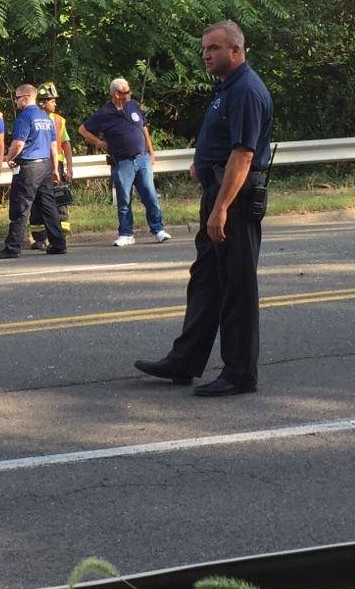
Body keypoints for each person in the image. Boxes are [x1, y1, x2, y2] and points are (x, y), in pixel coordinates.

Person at [134, 21, 272, 396]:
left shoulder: (245, 90)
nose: (206, 55)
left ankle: (240, 373)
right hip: (218, 190)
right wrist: (202, 163)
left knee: (236, 286)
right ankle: (185, 360)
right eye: (204, 50)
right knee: (206, 282)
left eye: (213, 48)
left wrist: (221, 208)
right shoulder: (225, 88)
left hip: (235, 198)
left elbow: (243, 154)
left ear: (236, 51)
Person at [79, 78, 170, 247]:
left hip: (141, 159)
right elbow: (83, 129)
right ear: (117, 94)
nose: (130, 94)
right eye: (126, 92)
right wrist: (99, 143)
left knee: (150, 196)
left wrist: (151, 151)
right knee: (124, 200)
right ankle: (126, 233)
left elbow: (144, 127)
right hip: (122, 162)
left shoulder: (133, 105)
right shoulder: (104, 113)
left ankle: (158, 229)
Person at [0, 85, 68, 258]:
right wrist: (55, 169)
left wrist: (8, 158)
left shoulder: (24, 117)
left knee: (21, 207)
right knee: (49, 207)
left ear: (26, 98)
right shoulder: (46, 118)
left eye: (17, 98)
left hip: (28, 168)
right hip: (46, 166)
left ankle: (12, 247)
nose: (16, 101)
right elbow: (53, 146)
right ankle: (58, 243)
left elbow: (18, 144)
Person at [29, 82, 75, 250]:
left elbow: (66, 145)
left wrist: (69, 167)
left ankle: (60, 236)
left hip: (56, 165)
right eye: (52, 100)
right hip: (38, 163)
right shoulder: (32, 118)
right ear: (42, 102)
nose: (55, 103)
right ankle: (40, 238)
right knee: (37, 201)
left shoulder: (58, 120)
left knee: (59, 199)